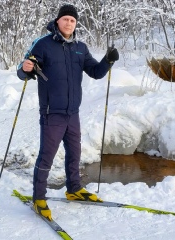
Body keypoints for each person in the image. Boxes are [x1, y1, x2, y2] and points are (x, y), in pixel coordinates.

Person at [17, 4, 119, 221]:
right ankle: (38, 198)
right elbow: (24, 69)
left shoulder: (80, 47)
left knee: (75, 153)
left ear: (75, 24)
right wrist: (24, 68)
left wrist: (108, 60)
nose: (69, 23)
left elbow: (96, 72)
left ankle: (74, 188)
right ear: (57, 21)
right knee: (47, 156)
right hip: (51, 112)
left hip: (73, 113)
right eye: (65, 19)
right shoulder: (42, 44)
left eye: (72, 20)